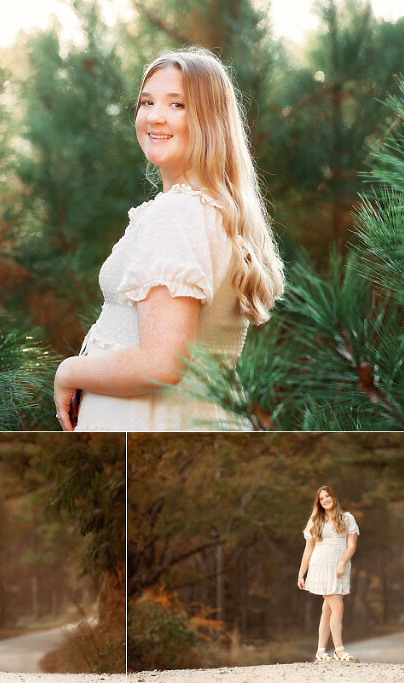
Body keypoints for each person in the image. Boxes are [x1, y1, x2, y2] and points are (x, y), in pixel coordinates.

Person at [53, 47, 284, 431]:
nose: (154, 116)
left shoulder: (177, 214)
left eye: (177, 104)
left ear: (210, 120)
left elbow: (162, 364)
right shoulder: (215, 212)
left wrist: (69, 371)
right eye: (147, 101)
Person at [297, 485, 360, 662]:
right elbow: (308, 550)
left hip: (339, 568)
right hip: (320, 566)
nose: (325, 500)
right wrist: (302, 574)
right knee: (338, 606)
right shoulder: (315, 521)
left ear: (333, 497)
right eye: (321, 498)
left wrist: (342, 562)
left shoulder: (347, 518)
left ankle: (320, 651)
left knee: (328, 609)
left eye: (327, 496)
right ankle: (339, 650)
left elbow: (352, 546)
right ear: (319, 503)